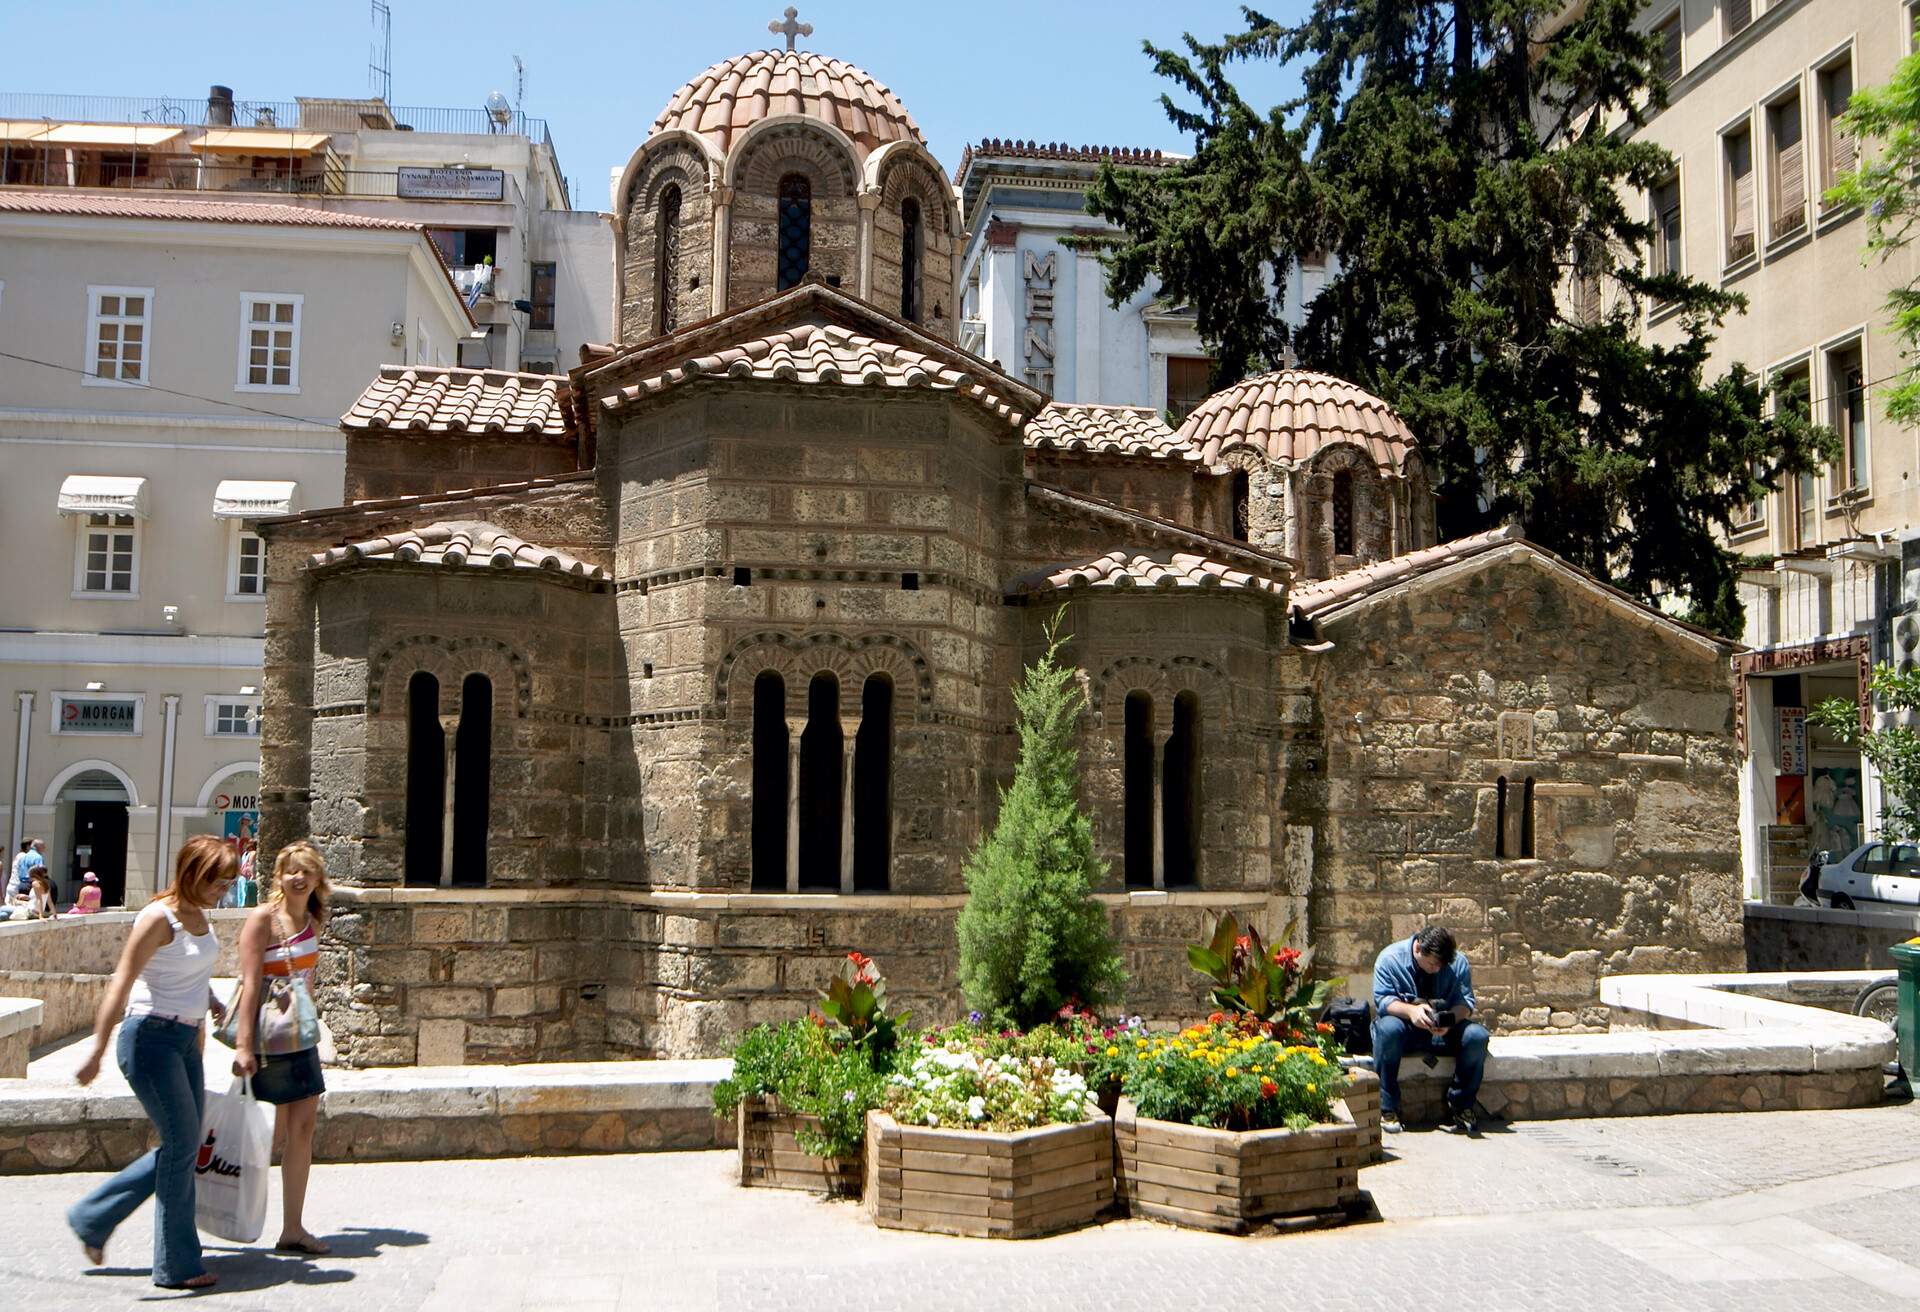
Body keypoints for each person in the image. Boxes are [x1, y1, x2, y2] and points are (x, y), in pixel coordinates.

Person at [67, 835, 236, 1290]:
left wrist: (213, 1000)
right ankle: (177, 1264)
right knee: (182, 1147)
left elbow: (189, 972)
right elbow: (121, 981)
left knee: (183, 1146)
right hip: (150, 1039)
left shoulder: (201, 915)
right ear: (192, 873)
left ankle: (92, 1216)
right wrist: (97, 1052)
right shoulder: (157, 918)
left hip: (184, 1039)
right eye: (217, 881)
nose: (224, 889)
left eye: (227, 882)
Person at [232, 840, 332, 1256]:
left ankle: (293, 1227)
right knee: (265, 1134)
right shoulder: (263, 920)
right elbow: (249, 984)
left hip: (300, 1038)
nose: (298, 877)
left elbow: (306, 981)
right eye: (291, 870)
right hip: (267, 1041)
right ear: (278, 875)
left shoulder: (313, 920)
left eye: (306, 870)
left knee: (303, 1128)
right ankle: (230, 1213)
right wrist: (242, 1047)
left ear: (317, 879)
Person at [1370, 923, 1490, 1136]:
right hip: (1405, 1028)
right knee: (1387, 1029)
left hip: (1445, 1029)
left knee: (1477, 1036)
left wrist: (1451, 1019)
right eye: (1433, 964)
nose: (1437, 969)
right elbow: (1383, 1002)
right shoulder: (1389, 959)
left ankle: (1462, 1105)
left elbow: (1466, 1004)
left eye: (1442, 966)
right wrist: (1411, 1011)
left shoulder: (1457, 962)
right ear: (1418, 949)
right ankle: (1387, 1108)